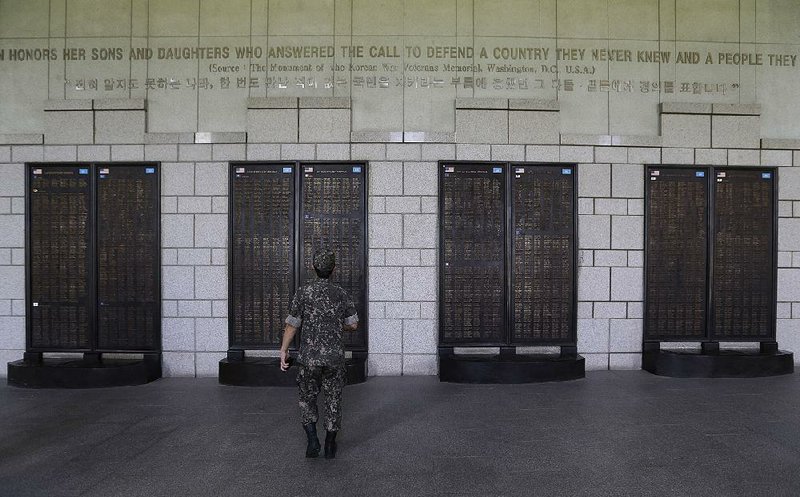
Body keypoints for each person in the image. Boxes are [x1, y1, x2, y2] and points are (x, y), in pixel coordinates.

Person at [280, 248, 358, 459]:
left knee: (307, 399)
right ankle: (330, 444)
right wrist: (335, 325)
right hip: (334, 359)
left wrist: (283, 350)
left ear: (313, 268)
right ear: (333, 269)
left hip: (309, 359)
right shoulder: (341, 293)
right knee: (333, 400)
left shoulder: (303, 292)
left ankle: (313, 441)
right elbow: (353, 324)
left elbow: (292, 325)